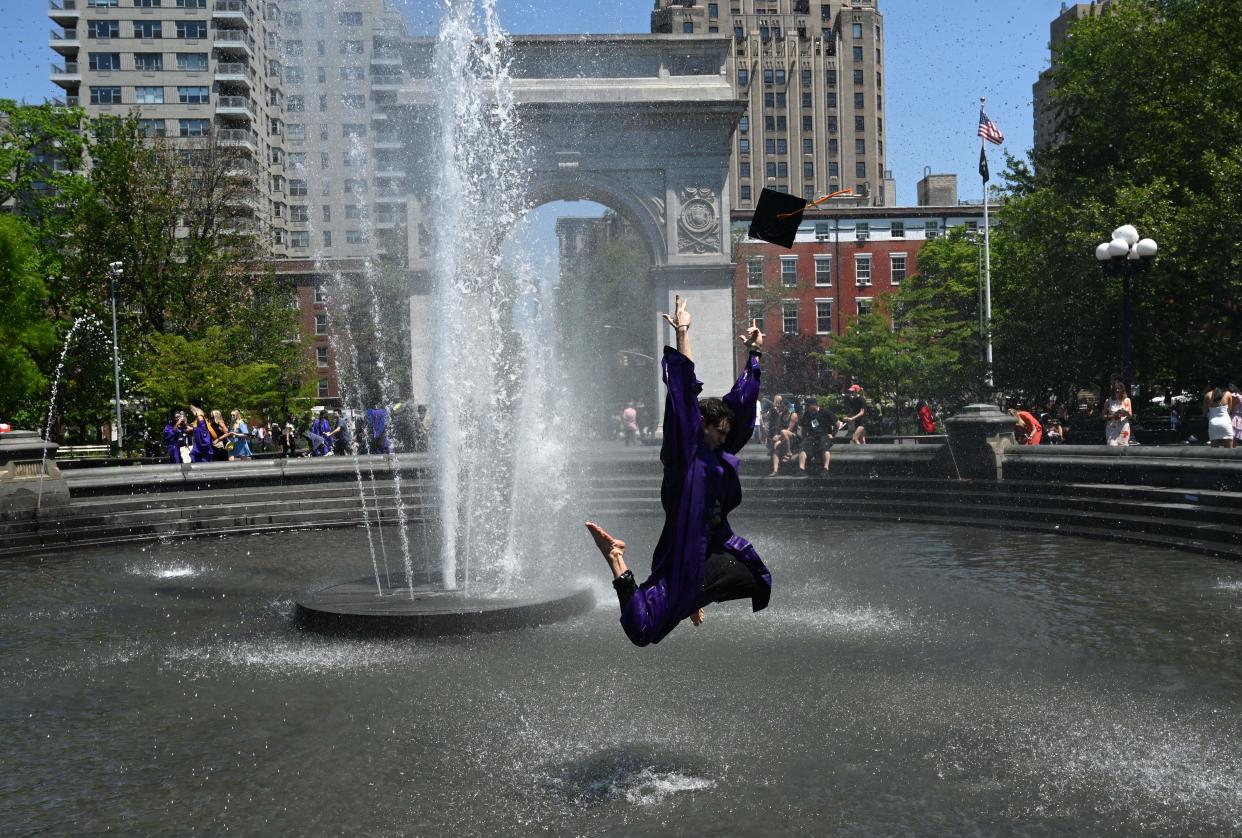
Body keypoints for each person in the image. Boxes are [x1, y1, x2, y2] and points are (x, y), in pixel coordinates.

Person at [586, 299, 772, 647]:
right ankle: (615, 557)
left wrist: (755, 354)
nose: (723, 440)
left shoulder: (719, 453)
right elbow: (684, 390)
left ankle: (693, 597)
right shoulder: (683, 455)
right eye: (718, 433)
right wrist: (683, 332)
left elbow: (743, 400)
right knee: (642, 631)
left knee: (757, 579)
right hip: (684, 553)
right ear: (702, 426)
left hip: (713, 550)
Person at [797, 399, 838, 476]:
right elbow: (804, 427)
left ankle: (826, 468)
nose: (807, 408)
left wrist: (832, 434)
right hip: (812, 436)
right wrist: (804, 438)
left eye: (808, 406)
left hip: (824, 435)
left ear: (814, 405)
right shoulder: (807, 414)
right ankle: (801, 469)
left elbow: (837, 424)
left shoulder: (826, 412)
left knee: (824, 448)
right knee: (803, 448)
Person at [1104, 380, 1133, 447]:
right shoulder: (1108, 401)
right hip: (1112, 427)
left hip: (1123, 426)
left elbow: (1130, 415)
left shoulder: (1127, 400)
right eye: (1115, 388)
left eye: (1119, 388)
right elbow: (1103, 416)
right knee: (1112, 446)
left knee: (1123, 446)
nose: (1117, 390)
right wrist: (1113, 416)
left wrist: (1126, 413)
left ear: (1122, 389)